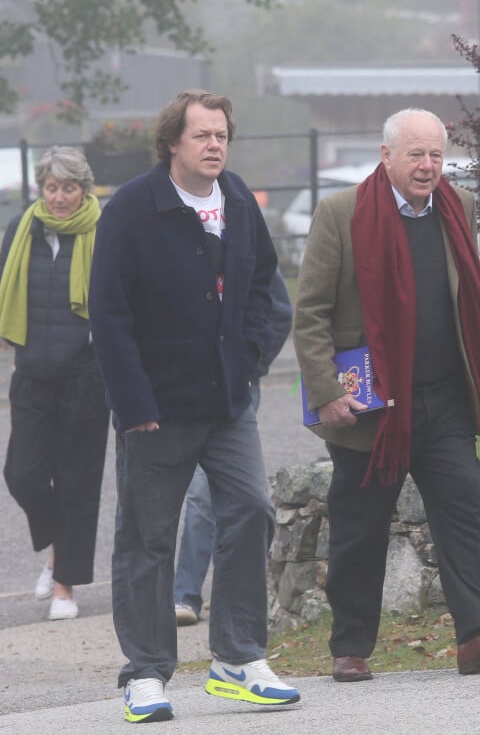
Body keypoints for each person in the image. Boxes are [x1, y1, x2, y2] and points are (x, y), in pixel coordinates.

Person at [293, 108, 480, 683]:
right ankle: (350, 648)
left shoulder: (459, 207)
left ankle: (478, 636)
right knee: (359, 530)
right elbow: (311, 314)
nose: (428, 167)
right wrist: (325, 392)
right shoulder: (340, 213)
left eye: (436, 156)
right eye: (416, 155)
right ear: (386, 156)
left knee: (463, 516)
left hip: (445, 398)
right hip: (370, 408)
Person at [88, 89, 300, 724]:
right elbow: (109, 315)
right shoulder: (131, 209)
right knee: (148, 539)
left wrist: (251, 360)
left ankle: (236, 658)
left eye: (222, 135)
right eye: (202, 135)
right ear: (172, 143)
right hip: (156, 408)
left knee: (251, 510)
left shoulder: (237, 199)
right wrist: (133, 404)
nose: (215, 145)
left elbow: (266, 287)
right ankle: (147, 674)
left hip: (228, 403)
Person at [0, 146, 110, 622]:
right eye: (51, 187)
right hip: (32, 374)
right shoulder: (21, 230)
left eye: (68, 188)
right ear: (40, 189)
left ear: (83, 190)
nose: (59, 197)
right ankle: (56, 548)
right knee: (20, 472)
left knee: (77, 483)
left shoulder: (104, 231)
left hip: (86, 377)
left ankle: (64, 584)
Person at [174, 267, 292, 626]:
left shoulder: (240, 232)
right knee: (184, 496)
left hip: (234, 389)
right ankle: (184, 594)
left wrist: (251, 363)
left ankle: (188, 595)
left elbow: (280, 311)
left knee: (211, 495)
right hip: (178, 388)